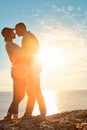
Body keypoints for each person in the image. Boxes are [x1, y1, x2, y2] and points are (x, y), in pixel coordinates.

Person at [15, 22, 46, 117]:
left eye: (17, 30)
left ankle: (30, 113)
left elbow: (27, 54)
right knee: (35, 89)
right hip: (35, 65)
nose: (16, 33)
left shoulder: (26, 38)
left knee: (33, 89)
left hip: (32, 66)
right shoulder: (30, 36)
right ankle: (36, 111)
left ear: (21, 28)